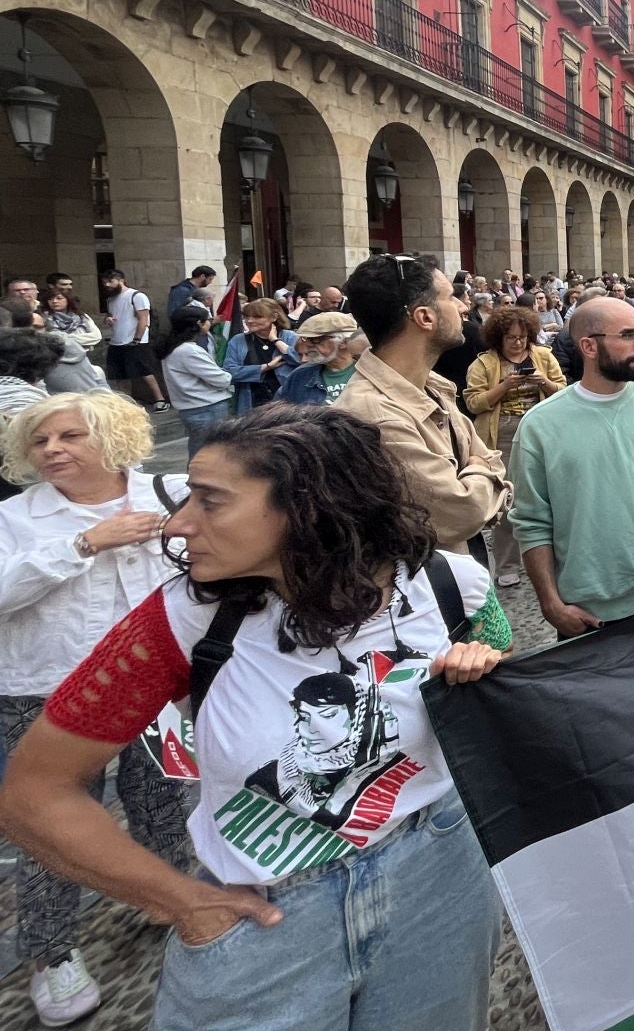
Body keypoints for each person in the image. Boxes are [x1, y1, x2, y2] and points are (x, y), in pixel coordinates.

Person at [0, 404, 513, 1031]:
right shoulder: (185, 617)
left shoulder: (449, 582)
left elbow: (499, 650)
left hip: (440, 878)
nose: (178, 524)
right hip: (269, 915)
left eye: (210, 502)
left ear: (309, 508)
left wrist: (477, 664)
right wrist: (184, 903)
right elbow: (34, 791)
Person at [0, 393, 190, 1026]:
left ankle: (167, 898)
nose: (52, 450)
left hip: (152, 684)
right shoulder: (15, 517)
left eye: (69, 436)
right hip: (44, 690)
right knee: (52, 823)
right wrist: (82, 544)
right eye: (39, 440)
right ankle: (51, 953)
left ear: (111, 436)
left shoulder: (168, 493)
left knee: (161, 800)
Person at [509, 298, 634, 637]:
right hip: (585, 614)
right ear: (589, 346)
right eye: (628, 336)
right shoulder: (540, 425)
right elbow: (532, 522)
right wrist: (551, 604)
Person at [336, 255, 508, 557]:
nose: (463, 307)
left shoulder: (433, 386)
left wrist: (477, 472)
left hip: (459, 564)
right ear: (425, 317)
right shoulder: (375, 416)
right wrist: (481, 471)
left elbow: (492, 460)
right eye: (451, 297)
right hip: (425, 574)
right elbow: (461, 513)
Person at [464, 306, 563, 592]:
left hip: (543, 430)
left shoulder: (543, 356)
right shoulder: (485, 363)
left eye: (522, 337)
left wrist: (543, 381)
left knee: (549, 495)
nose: (518, 343)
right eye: (511, 337)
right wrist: (505, 385)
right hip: (503, 434)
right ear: (499, 337)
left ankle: (553, 558)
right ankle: (507, 565)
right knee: (508, 501)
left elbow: (563, 390)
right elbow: (473, 403)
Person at [156, 306, 232, 457]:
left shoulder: (174, 347)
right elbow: (221, 380)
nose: (210, 323)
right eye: (208, 320)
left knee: (202, 452)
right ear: (199, 323)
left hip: (194, 408)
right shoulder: (189, 350)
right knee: (209, 454)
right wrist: (227, 375)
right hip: (206, 408)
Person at [100, 270, 164, 410]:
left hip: (135, 341)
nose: (107, 285)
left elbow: (143, 319)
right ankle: (127, 402)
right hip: (116, 341)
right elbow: (109, 315)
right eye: (105, 282)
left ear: (121, 280)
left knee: (144, 371)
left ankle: (159, 399)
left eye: (110, 281)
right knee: (119, 374)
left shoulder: (137, 296)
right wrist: (108, 319)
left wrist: (137, 339)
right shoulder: (110, 299)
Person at [222, 299, 298, 414]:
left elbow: (300, 361)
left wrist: (275, 340)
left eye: (257, 317)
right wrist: (266, 367)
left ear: (274, 317)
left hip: (288, 402)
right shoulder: (238, 340)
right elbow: (230, 372)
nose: (249, 321)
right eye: (246, 317)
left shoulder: (290, 337)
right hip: (252, 402)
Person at [275, 313, 363, 405]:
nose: (307, 344)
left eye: (316, 339)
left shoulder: (368, 373)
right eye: (306, 338)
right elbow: (277, 409)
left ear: (344, 342)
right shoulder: (300, 376)